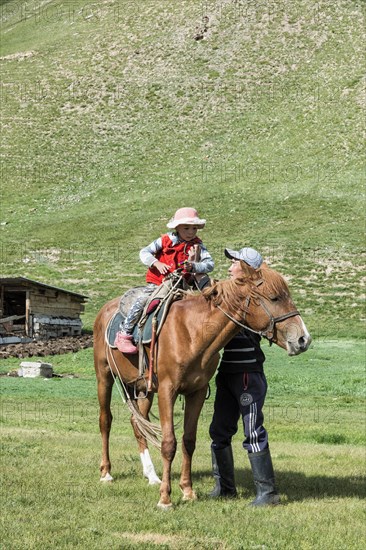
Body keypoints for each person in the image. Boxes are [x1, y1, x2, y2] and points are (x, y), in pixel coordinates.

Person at [208, 246, 280, 506]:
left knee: (252, 431)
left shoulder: (254, 297)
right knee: (218, 430)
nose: (229, 266)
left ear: (247, 268)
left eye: (234, 262)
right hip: (227, 372)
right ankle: (225, 488)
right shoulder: (229, 294)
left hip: (248, 374)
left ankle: (267, 494)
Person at [115, 207, 214, 354]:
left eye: (194, 228)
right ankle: (125, 333)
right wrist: (156, 263)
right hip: (159, 282)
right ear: (177, 227)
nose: (191, 232)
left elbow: (210, 264)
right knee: (143, 300)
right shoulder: (165, 240)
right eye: (186, 228)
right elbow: (144, 252)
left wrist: (194, 266)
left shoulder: (198, 245)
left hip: (183, 285)